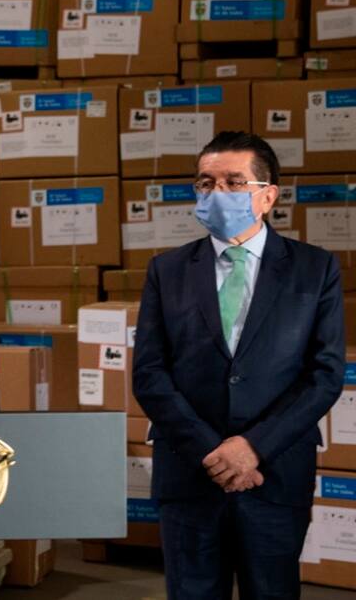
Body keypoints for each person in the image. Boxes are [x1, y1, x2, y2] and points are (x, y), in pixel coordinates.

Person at [133, 131, 344, 600]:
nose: (217, 194)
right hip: (189, 471)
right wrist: (213, 452)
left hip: (275, 472)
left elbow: (324, 374)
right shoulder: (167, 271)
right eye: (206, 184)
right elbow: (149, 373)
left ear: (268, 196)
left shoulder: (314, 269)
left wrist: (253, 448)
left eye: (233, 182)